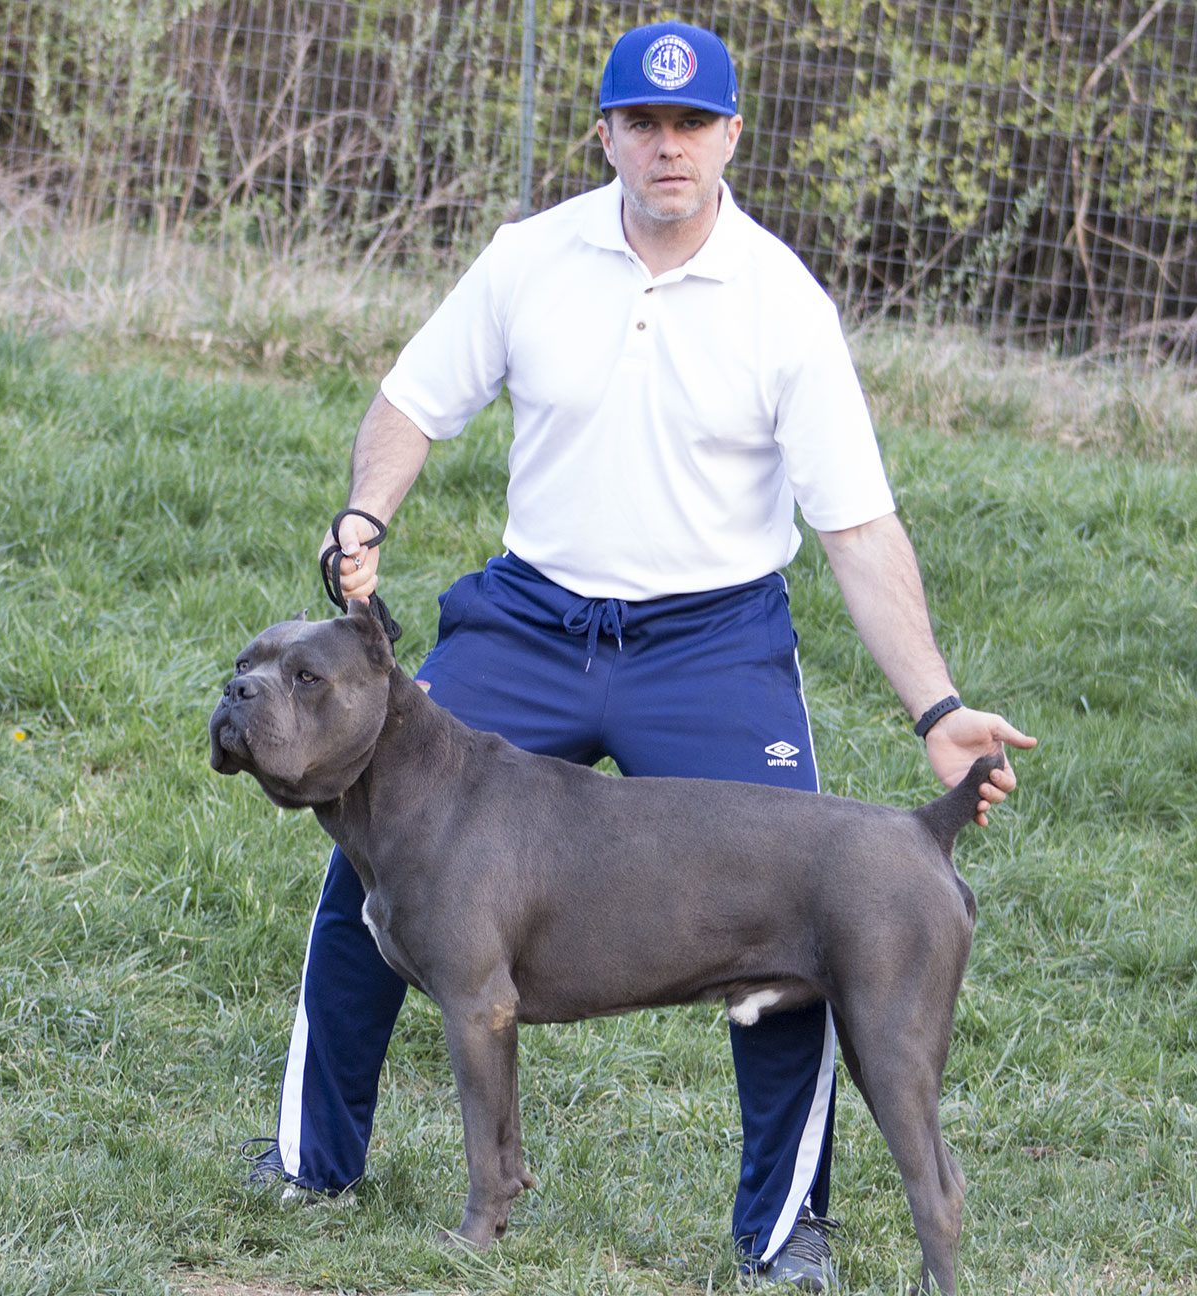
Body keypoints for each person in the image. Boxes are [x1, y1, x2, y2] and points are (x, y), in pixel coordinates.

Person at [242, 20, 1036, 1290]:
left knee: (797, 899)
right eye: (642, 124)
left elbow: (857, 525)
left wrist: (935, 705)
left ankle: (785, 1237)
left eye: (692, 125)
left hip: (710, 637)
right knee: (371, 852)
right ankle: (311, 1159)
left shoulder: (783, 301)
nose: (667, 147)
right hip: (532, 619)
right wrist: (364, 515)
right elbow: (409, 402)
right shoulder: (529, 259)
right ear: (605, 132)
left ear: (731, 135)